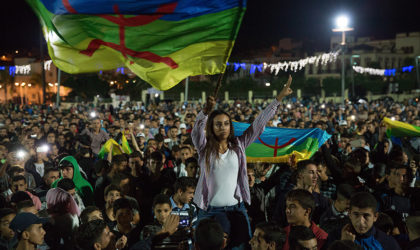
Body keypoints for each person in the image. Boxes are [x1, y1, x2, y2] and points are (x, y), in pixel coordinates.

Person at [192, 76, 293, 242]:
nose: (222, 127)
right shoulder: (204, 149)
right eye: (218, 124)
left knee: (242, 246)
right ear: (211, 127)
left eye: (226, 123)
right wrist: (205, 112)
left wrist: (279, 98)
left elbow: (259, 124)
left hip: (236, 210)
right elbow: (196, 131)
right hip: (208, 211)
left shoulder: (239, 145)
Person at [327, 192, 401, 250]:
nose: (360, 221)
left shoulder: (387, 243)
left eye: (366, 216)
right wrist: (343, 245)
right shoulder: (335, 237)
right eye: (356, 215)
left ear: (375, 217)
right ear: (349, 214)